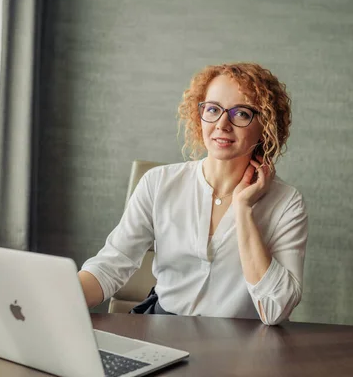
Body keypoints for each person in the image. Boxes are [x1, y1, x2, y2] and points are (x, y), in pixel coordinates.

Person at [78, 62, 308, 325]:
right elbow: (111, 266)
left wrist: (244, 210)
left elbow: (276, 309)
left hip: (244, 348)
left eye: (241, 114)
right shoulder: (158, 182)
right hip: (162, 332)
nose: (222, 124)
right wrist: (56, 300)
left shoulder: (288, 203)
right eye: (212, 109)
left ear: (266, 126)